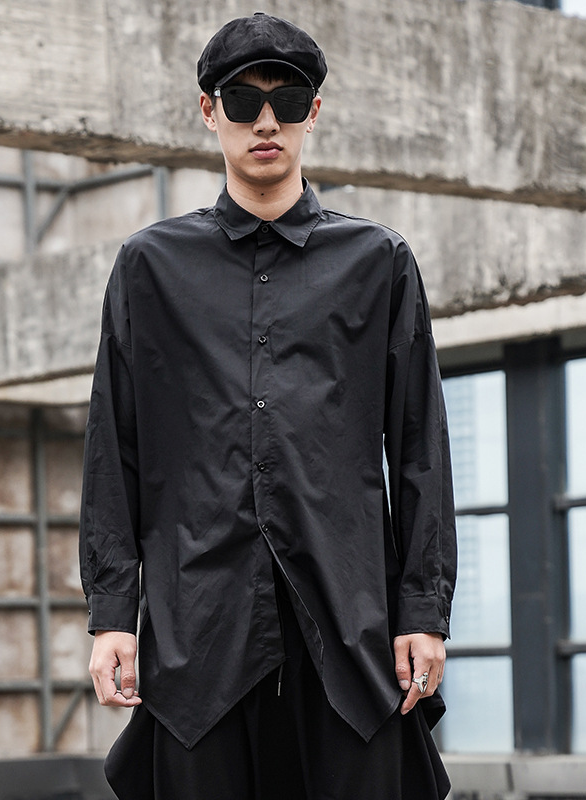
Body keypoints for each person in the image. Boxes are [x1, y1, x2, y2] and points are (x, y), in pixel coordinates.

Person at [79, 12, 456, 800]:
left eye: (286, 101)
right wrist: (113, 612)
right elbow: (114, 447)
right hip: (198, 623)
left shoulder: (379, 262)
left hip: (349, 624)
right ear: (208, 110)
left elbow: (419, 446)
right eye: (243, 100)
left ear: (312, 112)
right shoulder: (149, 269)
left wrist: (423, 609)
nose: (265, 122)